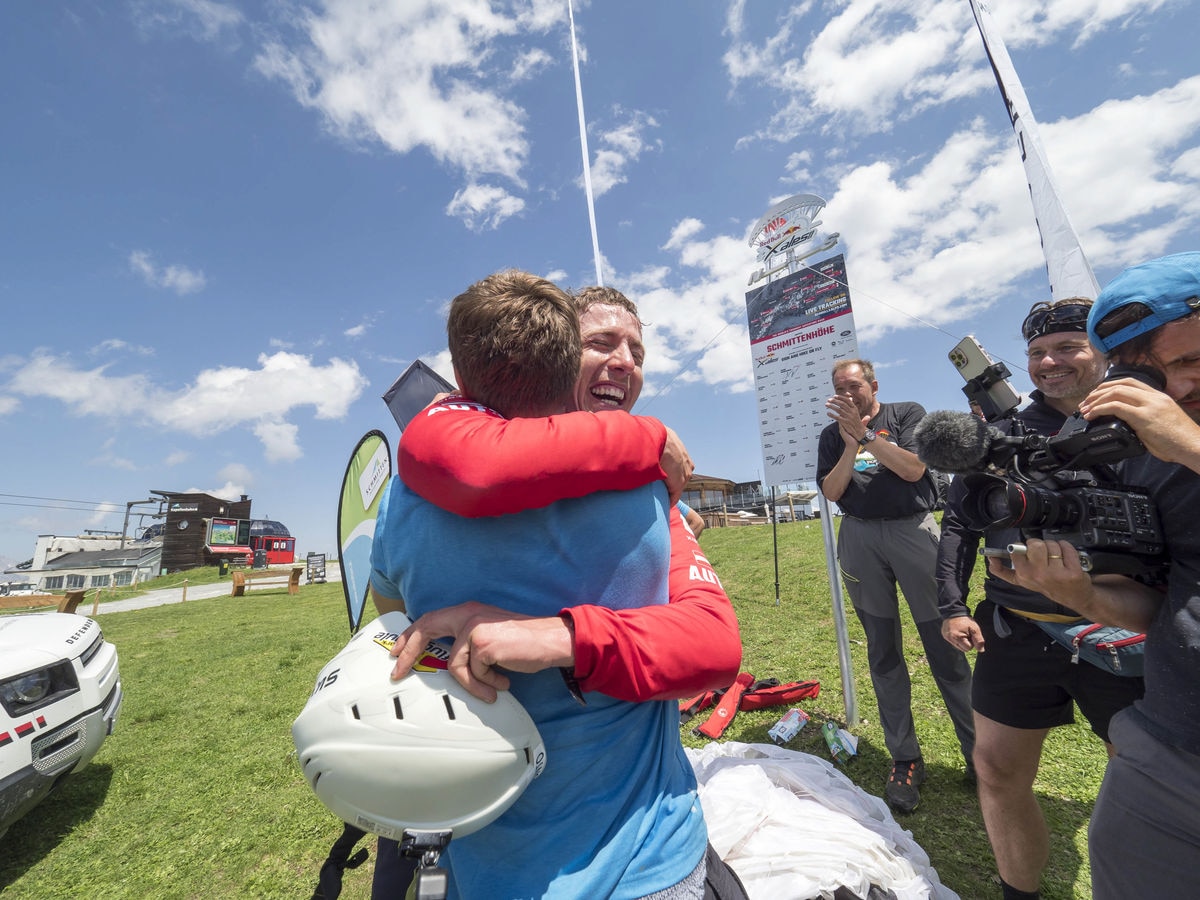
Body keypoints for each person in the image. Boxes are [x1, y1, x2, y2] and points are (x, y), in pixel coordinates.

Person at [370, 270, 744, 899]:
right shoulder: (645, 484)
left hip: (537, 854)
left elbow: (390, 618)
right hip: (606, 862)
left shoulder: (409, 488)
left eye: (638, 352)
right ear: (553, 353)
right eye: (600, 343)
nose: (624, 362)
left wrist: (556, 634)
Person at [988, 251, 1200, 899]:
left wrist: (1188, 443)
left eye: (1190, 361)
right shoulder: (1140, 449)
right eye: (1148, 375)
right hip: (1171, 743)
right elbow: (1158, 602)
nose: (1178, 389)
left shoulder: (1167, 434)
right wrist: (1082, 592)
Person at [937, 299, 1144, 900]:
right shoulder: (1000, 434)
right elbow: (959, 525)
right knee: (997, 770)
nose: (1048, 362)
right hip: (1018, 625)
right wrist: (952, 604)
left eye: (1066, 348)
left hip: (1124, 628)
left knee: (1144, 773)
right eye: (1035, 353)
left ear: (1102, 351)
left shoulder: (1145, 419)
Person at [816, 359, 975, 813]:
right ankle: (905, 758)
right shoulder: (831, 436)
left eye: (854, 385)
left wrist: (866, 436)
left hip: (912, 531)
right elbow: (831, 492)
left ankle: (978, 753)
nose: (847, 394)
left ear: (873, 385)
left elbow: (911, 470)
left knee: (944, 644)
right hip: (861, 536)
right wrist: (848, 444)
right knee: (883, 651)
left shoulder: (906, 415)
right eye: (839, 389)